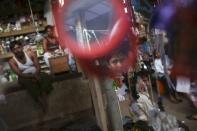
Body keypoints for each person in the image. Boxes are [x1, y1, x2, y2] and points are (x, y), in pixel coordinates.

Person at [8, 41, 53, 112]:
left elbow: (38, 66)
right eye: (14, 49)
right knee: (26, 82)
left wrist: (36, 75)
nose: (17, 50)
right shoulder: (12, 61)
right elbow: (19, 74)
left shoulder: (30, 54)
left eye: (18, 48)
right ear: (12, 51)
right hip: (24, 76)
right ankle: (40, 101)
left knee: (45, 76)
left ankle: (44, 98)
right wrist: (32, 77)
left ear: (22, 47)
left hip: (36, 73)